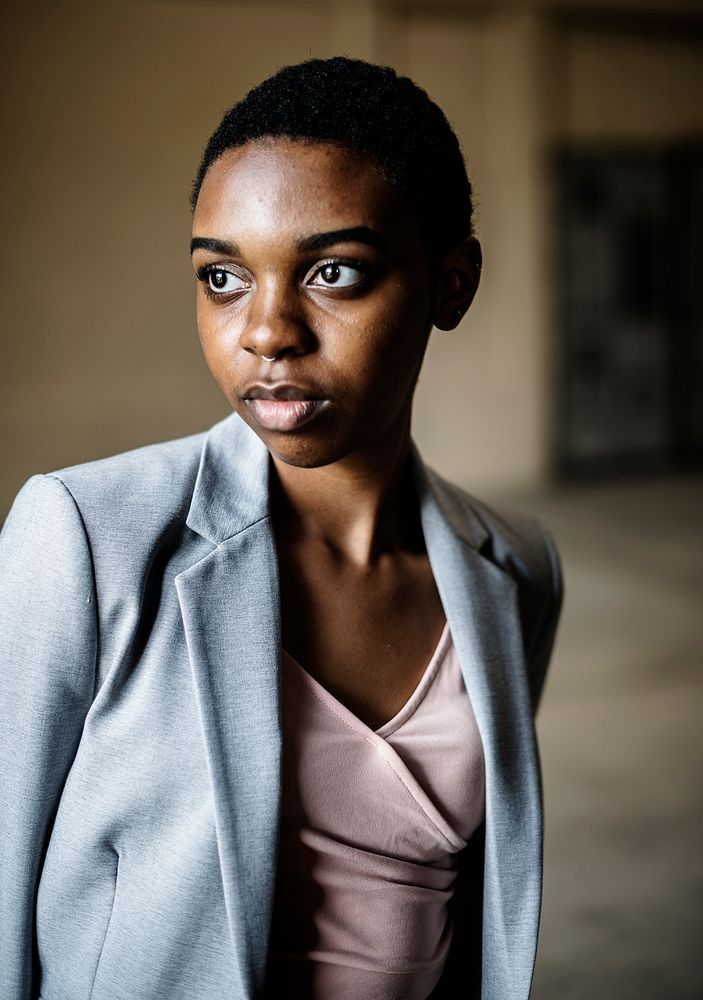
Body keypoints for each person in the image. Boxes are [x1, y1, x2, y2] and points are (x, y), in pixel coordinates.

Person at [0, 57, 562, 1000]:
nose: (266, 332)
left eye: (332, 273)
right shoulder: (84, 540)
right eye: (222, 277)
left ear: (450, 284)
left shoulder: (515, 569)